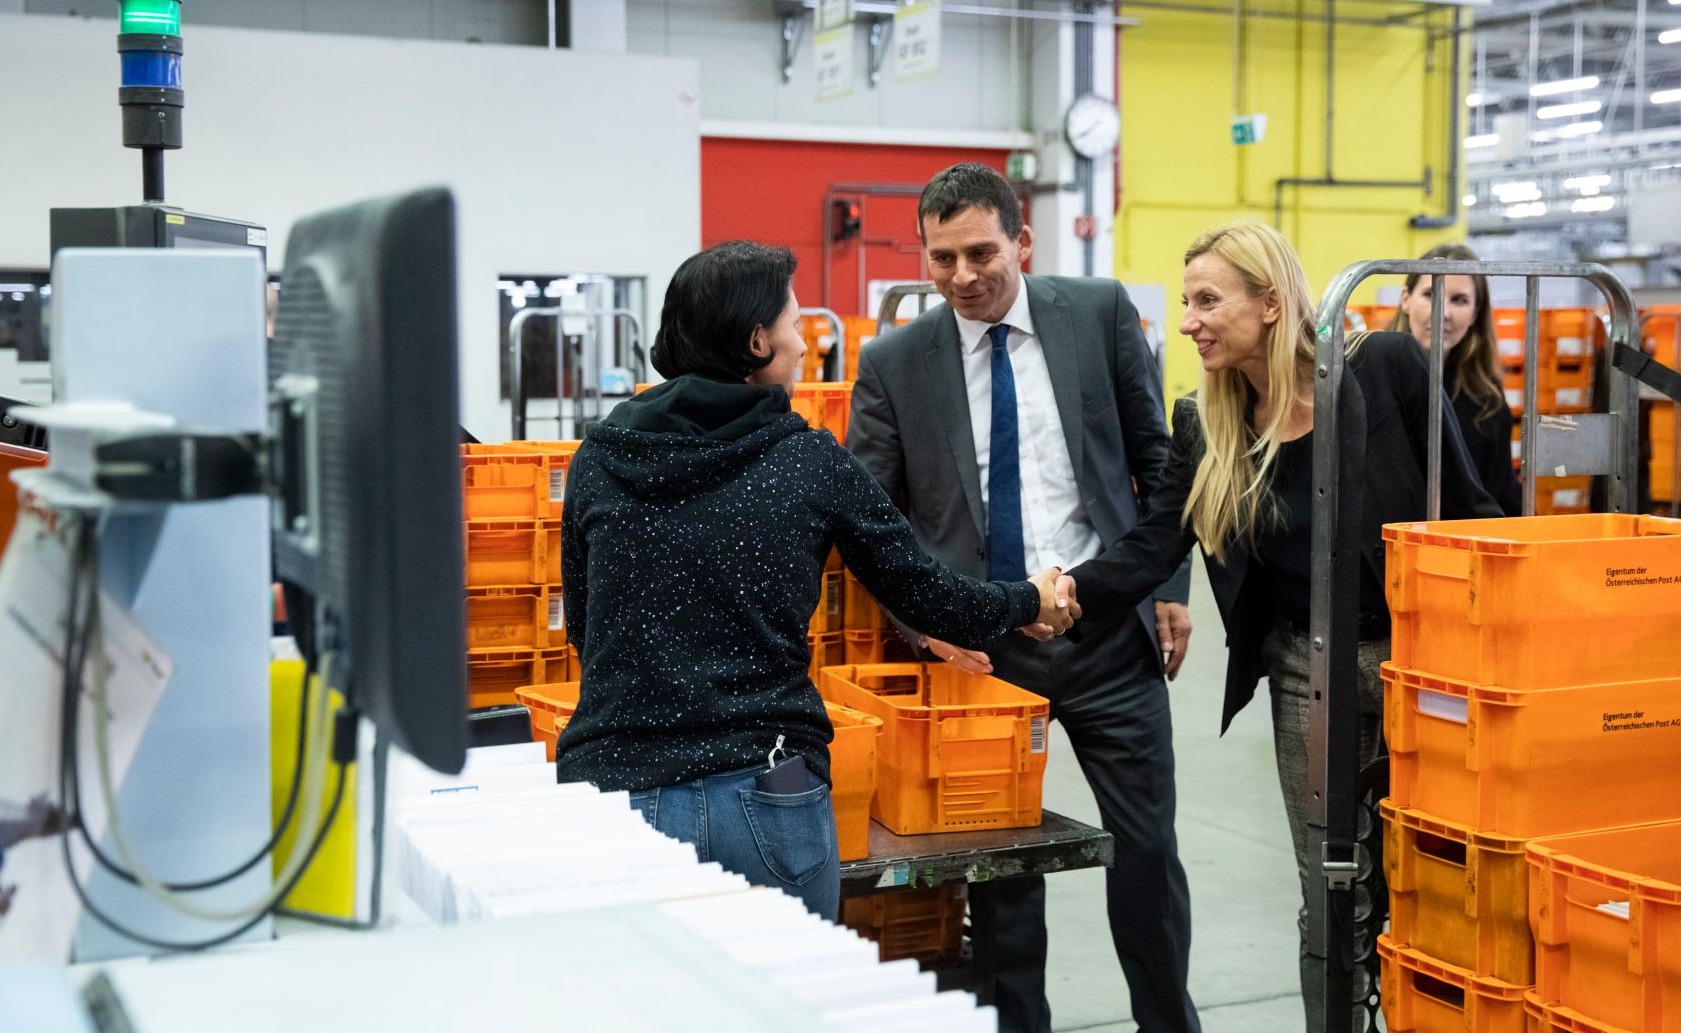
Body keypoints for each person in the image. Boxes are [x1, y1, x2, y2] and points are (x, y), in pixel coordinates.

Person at [1057, 221, 1501, 1031]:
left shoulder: (1386, 368)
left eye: (1206, 300)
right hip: (1309, 668)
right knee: (1330, 889)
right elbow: (1152, 543)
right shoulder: (1207, 421)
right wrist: (1048, 597)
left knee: (1441, 879)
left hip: (1425, 662)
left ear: (1269, 302)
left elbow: (1474, 510)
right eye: (1186, 300)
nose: (1188, 320)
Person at [555, 240, 1078, 921]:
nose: (806, 346)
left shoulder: (599, 456)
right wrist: (1028, 598)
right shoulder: (806, 459)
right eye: (795, 326)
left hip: (615, 796)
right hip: (766, 794)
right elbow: (930, 595)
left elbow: (585, 631)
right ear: (755, 342)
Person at [847, 163, 1201, 1033]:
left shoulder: (1098, 312)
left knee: (1148, 852)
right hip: (983, 649)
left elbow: (1157, 463)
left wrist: (1165, 586)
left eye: (979, 252)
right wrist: (926, 628)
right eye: (940, 258)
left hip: (1110, 631)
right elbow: (868, 519)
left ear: (1023, 242)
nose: (961, 276)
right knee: (1004, 876)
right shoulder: (895, 363)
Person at [1388, 243, 1521, 516]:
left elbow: (1501, 491)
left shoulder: (1487, 401)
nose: (1443, 312)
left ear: (1475, 313)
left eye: (1459, 300)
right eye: (1430, 294)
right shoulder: (1372, 382)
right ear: (1405, 299)